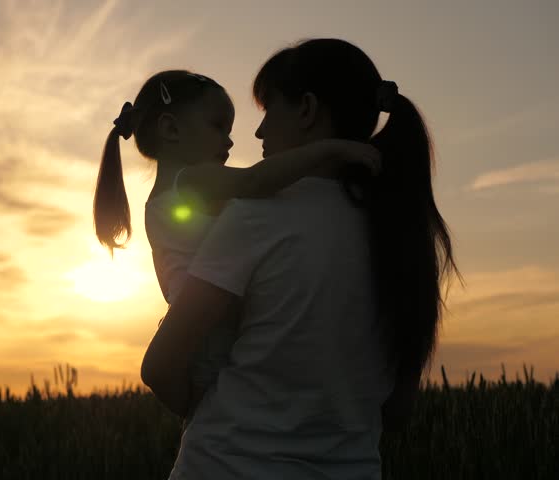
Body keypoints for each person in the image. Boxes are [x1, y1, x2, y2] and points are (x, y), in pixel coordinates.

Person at [141, 39, 460, 479]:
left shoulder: (257, 215)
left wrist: (204, 410)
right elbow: (397, 410)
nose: (257, 133)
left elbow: (160, 367)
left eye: (269, 110)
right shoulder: (401, 232)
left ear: (307, 110)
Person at [93, 69, 380, 423]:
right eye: (218, 127)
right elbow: (257, 180)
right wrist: (329, 150)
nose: (229, 143)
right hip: (210, 340)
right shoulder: (191, 183)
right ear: (170, 129)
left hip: (202, 340)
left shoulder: (163, 199)